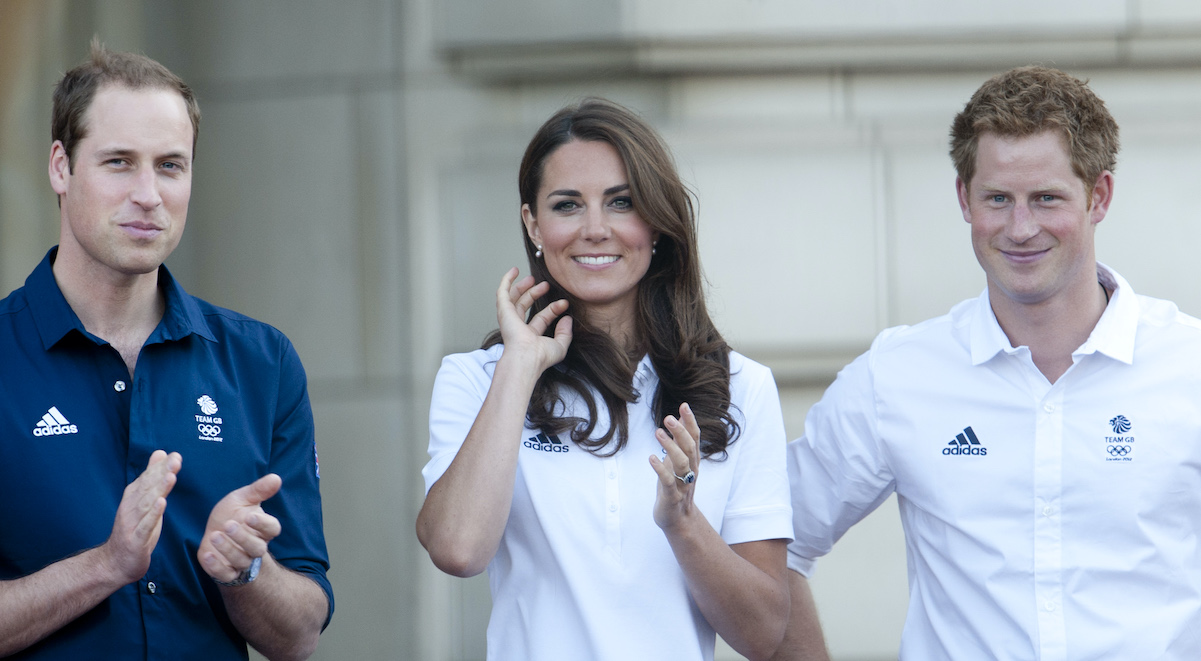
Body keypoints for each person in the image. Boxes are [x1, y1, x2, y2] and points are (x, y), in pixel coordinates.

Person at [773, 65, 1201, 661]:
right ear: (963, 199)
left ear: (1098, 196)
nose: (1020, 229)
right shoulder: (899, 375)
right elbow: (769, 548)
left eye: (1046, 199)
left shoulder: (1189, 366)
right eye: (997, 199)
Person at [416, 98, 793, 661]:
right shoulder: (477, 379)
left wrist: (683, 523)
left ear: (658, 224)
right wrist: (519, 366)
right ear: (532, 224)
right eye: (567, 205)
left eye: (622, 202)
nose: (595, 229)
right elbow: (458, 550)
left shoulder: (742, 387)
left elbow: (764, 634)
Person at [0, 43, 332, 660]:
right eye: (120, 163)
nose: (148, 194)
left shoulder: (263, 364)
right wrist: (106, 566)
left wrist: (246, 574)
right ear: (60, 167)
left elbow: (302, 632)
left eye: (171, 165)